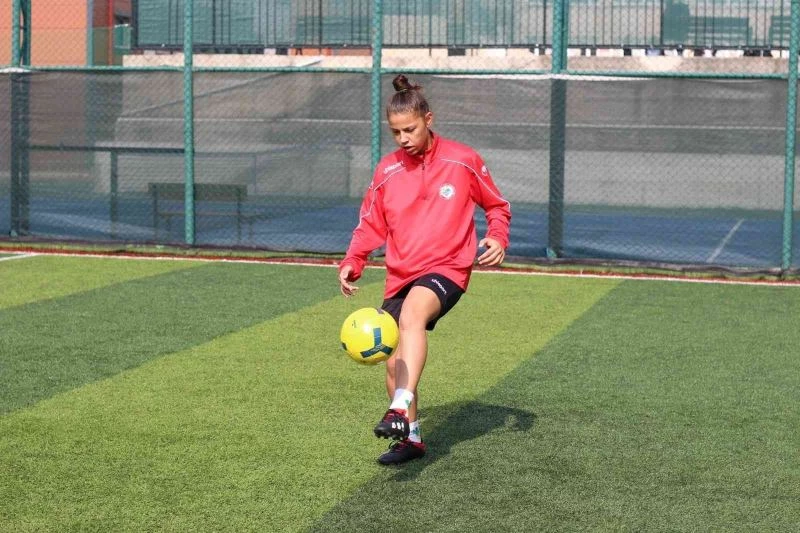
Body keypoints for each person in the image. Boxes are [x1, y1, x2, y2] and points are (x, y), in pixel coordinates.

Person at [338, 74, 512, 465]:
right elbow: (370, 223)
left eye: (410, 129)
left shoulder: (462, 160)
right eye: (395, 132)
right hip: (401, 273)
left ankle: (399, 407)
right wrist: (353, 261)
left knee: (413, 315)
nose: (403, 138)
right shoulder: (387, 170)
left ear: (428, 120)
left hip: (448, 267)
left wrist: (497, 237)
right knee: (393, 364)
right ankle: (411, 439)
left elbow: (497, 205)